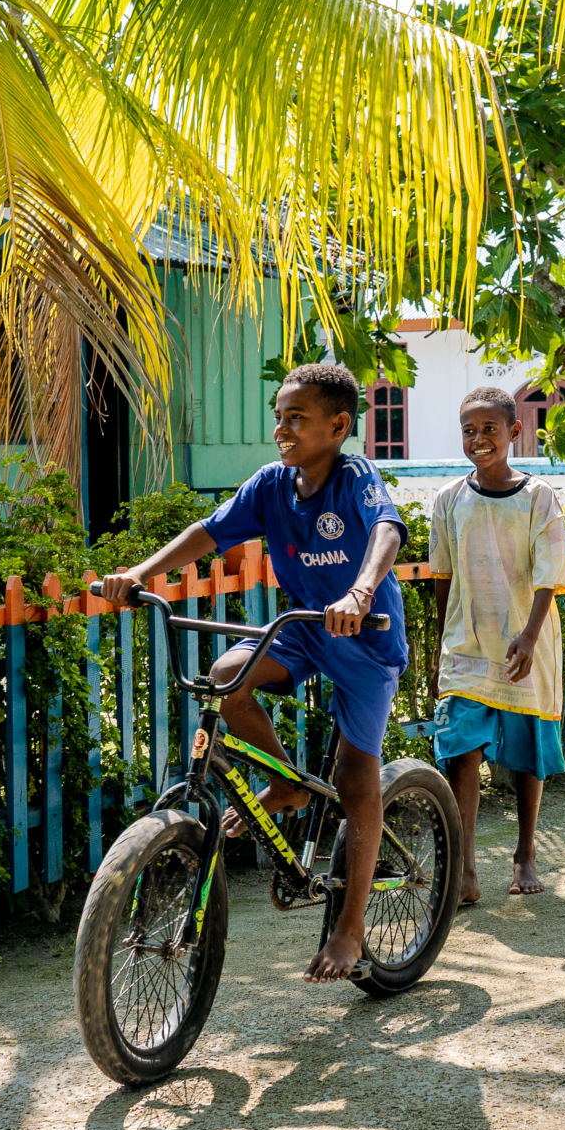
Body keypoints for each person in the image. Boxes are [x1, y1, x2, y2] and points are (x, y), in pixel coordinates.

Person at [100, 363, 407, 982]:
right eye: (279, 415)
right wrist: (140, 573)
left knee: (355, 777)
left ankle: (350, 929)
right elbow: (208, 533)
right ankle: (288, 783)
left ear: (339, 425)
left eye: (297, 417)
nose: (281, 428)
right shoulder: (271, 485)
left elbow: (387, 529)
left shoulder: (355, 478)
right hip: (299, 632)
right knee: (225, 674)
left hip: (364, 642)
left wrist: (361, 592)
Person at [424, 387, 565, 903]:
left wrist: (530, 636)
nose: (479, 438)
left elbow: (549, 575)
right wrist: (439, 647)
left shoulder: (539, 497)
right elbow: (442, 578)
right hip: (467, 645)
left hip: (525, 643)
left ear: (515, 432)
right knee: (462, 750)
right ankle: (465, 866)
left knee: (527, 754)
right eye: (470, 429)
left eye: (490, 428)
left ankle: (525, 852)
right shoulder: (447, 501)